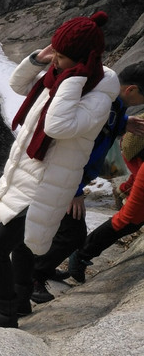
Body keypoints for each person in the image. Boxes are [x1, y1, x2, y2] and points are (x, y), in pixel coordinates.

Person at [0, 11, 118, 328]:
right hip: (31, 176)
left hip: (47, 184)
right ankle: (19, 300)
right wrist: (42, 57)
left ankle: (5, 309)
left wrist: (74, 77)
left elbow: (58, 125)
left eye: (62, 57)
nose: (56, 62)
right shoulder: (58, 76)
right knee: (23, 248)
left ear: (81, 62)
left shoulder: (97, 94)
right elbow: (18, 84)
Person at [30, 62, 144, 303]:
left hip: (69, 178)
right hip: (65, 178)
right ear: (132, 90)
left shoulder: (112, 104)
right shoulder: (105, 105)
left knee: (65, 230)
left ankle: (43, 269)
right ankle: (34, 277)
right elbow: (77, 147)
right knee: (71, 235)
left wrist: (124, 123)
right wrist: (76, 188)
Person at [68, 108, 144, 283]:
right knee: (128, 220)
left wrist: (126, 187)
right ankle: (81, 255)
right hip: (136, 150)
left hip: (135, 150)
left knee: (131, 220)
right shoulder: (135, 152)